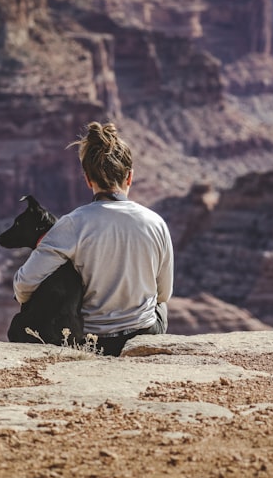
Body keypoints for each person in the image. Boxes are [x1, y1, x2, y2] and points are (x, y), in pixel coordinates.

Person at [13, 121, 173, 356]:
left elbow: (24, 284)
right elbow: (163, 294)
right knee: (161, 306)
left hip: (93, 340)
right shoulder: (155, 222)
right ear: (129, 177)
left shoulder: (73, 224)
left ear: (88, 179)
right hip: (144, 333)